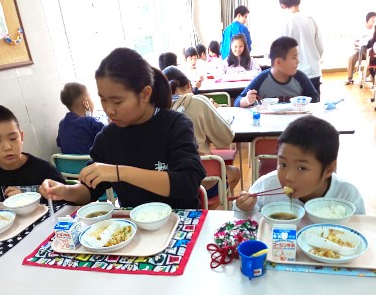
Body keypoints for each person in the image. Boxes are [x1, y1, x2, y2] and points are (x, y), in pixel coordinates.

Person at [39, 48, 206, 209]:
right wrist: (64, 191)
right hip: (134, 228)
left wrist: (119, 172)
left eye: (117, 101)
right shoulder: (108, 137)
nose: (109, 110)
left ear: (145, 94)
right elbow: (89, 190)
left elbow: (188, 183)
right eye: (103, 100)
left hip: (182, 224)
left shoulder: (175, 125)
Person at [234, 116, 366, 214]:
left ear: (328, 169)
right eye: (283, 164)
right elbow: (245, 222)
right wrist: (244, 208)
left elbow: (361, 230)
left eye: (302, 168)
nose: (288, 177)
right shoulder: (266, 185)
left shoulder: (347, 195)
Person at [162, 65, 241, 201]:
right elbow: (225, 139)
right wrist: (212, 111)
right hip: (203, 182)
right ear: (189, 85)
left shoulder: (155, 108)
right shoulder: (199, 102)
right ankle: (208, 208)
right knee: (235, 172)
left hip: (165, 185)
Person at [235, 36, 318, 107]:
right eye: (294, 58)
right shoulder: (262, 78)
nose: (298, 61)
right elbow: (237, 102)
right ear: (279, 62)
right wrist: (247, 100)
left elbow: (314, 97)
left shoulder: (300, 77)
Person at [279, 0, 324, 94]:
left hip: (294, 73)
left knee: (296, 106)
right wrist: (313, 59)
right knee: (314, 105)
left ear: (283, 5)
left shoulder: (284, 23)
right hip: (313, 71)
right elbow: (320, 47)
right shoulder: (310, 19)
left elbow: (281, 51)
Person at [56, 82, 104, 154]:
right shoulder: (90, 122)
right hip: (93, 164)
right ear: (86, 103)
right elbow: (109, 136)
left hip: (69, 165)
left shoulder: (62, 124)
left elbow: (59, 143)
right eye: (90, 97)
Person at [346, 12, 376, 85]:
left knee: (372, 60)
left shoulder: (375, 30)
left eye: (374, 19)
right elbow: (355, 42)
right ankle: (350, 78)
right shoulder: (360, 29)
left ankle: (365, 75)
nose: (374, 20)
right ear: (367, 20)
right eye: (372, 18)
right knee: (351, 58)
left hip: (370, 51)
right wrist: (360, 44)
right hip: (360, 50)